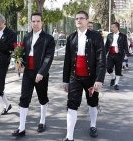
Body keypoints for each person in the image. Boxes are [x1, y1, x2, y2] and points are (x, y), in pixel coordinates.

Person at [63, 11, 106, 141]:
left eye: (82, 18)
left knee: (92, 102)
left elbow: (101, 59)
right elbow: (67, 61)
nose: (79, 20)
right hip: (74, 76)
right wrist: (66, 81)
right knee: (72, 104)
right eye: (76, 18)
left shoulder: (96, 36)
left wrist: (99, 79)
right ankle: (69, 136)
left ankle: (93, 125)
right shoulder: (71, 37)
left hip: (91, 77)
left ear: (87, 21)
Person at [12, 12, 55, 137]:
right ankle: (21, 128)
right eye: (33, 21)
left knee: (42, 98)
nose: (35, 23)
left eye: (38, 21)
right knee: (24, 99)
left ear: (42, 23)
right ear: (30, 22)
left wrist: (42, 72)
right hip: (28, 73)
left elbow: (49, 57)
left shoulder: (48, 38)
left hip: (40, 73)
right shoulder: (26, 37)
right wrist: (18, 62)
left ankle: (42, 121)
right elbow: (22, 53)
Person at [105, 22, 129, 90]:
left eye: (113, 27)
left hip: (119, 55)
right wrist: (103, 54)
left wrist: (127, 54)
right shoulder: (109, 35)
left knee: (118, 69)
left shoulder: (123, 36)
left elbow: (125, 46)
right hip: (110, 54)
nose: (111, 28)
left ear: (117, 27)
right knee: (108, 68)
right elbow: (106, 46)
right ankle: (113, 77)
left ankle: (116, 84)